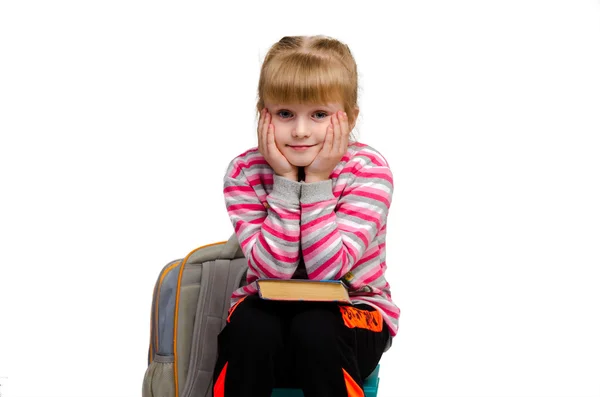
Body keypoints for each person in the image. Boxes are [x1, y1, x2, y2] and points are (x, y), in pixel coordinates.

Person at [212, 35, 400, 397]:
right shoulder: (244, 172)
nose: (300, 131)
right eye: (285, 114)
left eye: (318, 115)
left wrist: (315, 184)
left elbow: (328, 272)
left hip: (356, 310)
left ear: (350, 118)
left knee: (314, 327)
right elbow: (272, 273)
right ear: (262, 113)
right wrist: (284, 182)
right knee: (251, 325)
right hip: (268, 308)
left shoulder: (368, 170)